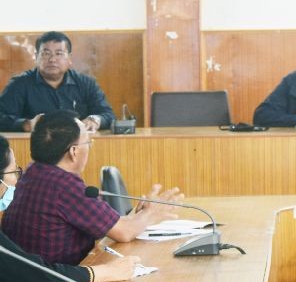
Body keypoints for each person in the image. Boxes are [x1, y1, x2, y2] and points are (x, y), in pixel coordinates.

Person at [1, 110, 181, 265]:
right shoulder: (64, 186)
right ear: (74, 152)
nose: (89, 148)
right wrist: (152, 214)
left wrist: (140, 215)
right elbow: (124, 232)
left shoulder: (34, 171)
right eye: (88, 142)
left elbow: (113, 225)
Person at [0, 136, 140, 282]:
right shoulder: (59, 183)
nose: (17, 181)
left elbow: (11, 273)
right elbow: (33, 273)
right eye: (14, 172)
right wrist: (105, 272)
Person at [0, 31, 115, 132]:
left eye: (59, 53)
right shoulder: (19, 84)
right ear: (36, 57)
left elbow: (108, 115)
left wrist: (95, 120)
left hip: (77, 147)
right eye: (46, 53)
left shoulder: (86, 84)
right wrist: (25, 124)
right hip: (37, 148)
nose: (52, 59)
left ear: (69, 59)